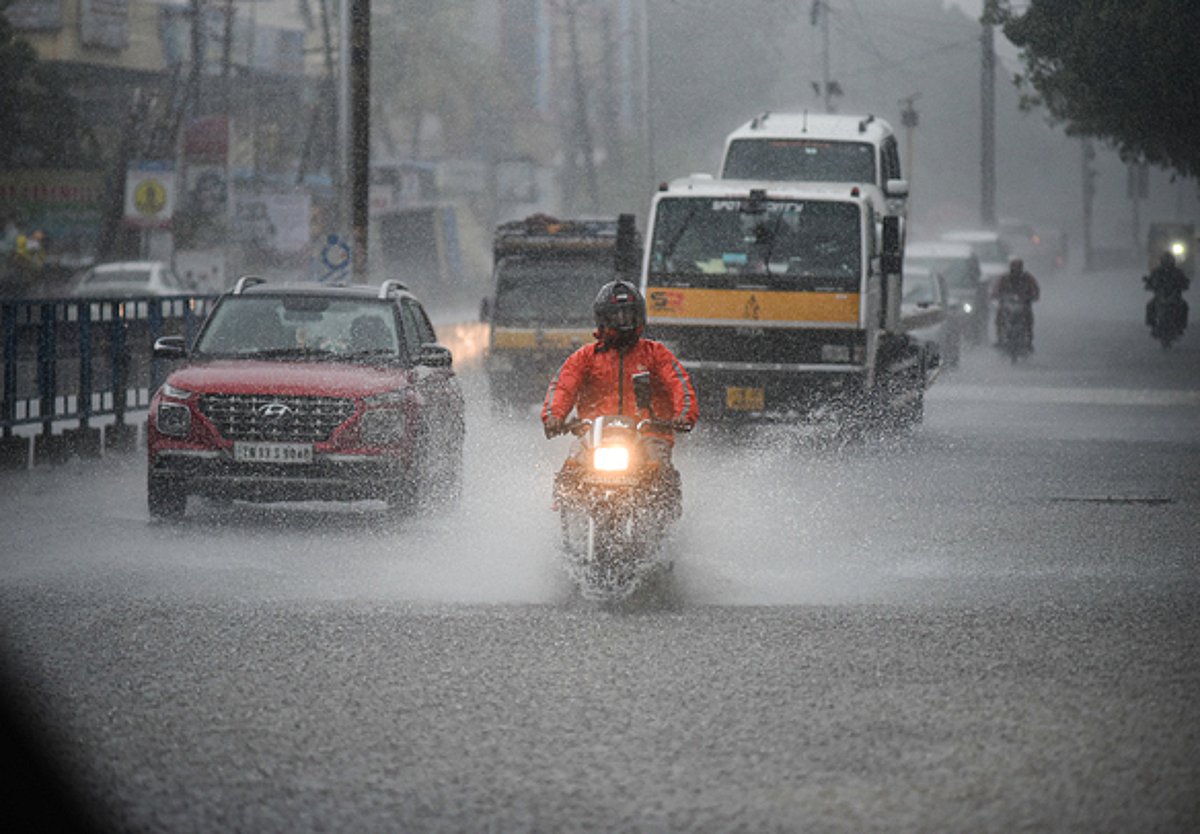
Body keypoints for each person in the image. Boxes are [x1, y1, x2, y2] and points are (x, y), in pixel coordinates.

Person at [542, 279, 698, 515]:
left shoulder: (656, 354)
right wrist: (554, 417)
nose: (623, 322)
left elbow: (679, 384)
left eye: (629, 315)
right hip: (595, 434)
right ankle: (568, 519)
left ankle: (665, 522)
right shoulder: (585, 357)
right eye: (617, 316)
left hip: (649, 433)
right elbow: (563, 386)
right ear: (603, 319)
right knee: (572, 465)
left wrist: (684, 415)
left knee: (660, 468)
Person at [993, 257, 1040, 349]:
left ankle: (1028, 340)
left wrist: (1032, 297)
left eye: (1018, 268)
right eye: (1014, 268)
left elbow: (1035, 289)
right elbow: (996, 289)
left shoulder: (1027, 278)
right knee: (999, 318)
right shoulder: (1004, 279)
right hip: (1007, 306)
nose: (1016, 270)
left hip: (1023, 306)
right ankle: (1000, 337)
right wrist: (997, 296)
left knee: (1028, 320)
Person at [1143, 252, 1190, 333]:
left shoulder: (1177, 272)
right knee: (1150, 306)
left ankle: (1181, 324)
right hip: (1160, 297)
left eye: (1168, 261)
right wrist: (1149, 284)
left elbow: (1184, 283)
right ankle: (1152, 323)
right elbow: (1150, 282)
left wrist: (1183, 285)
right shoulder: (1157, 272)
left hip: (1175, 297)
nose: (1167, 263)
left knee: (1184, 306)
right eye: (1165, 261)